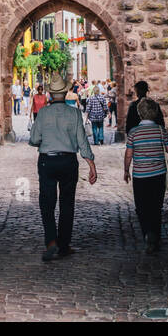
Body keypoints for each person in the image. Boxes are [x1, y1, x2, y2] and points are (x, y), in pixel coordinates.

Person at [29, 74, 97, 261]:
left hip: (47, 161)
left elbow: (34, 139)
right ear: (66, 92)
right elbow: (82, 142)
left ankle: (51, 241)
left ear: (50, 93)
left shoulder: (42, 113)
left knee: (47, 203)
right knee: (67, 204)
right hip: (68, 161)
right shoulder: (74, 113)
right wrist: (91, 166)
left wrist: (47, 138)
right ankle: (64, 245)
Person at [124, 97, 168, 253]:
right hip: (158, 175)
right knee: (156, 207)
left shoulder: (134, 132)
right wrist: (166, 140)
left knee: (142, 207)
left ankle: (148, 233)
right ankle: (156, 236)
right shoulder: (160, 130)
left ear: (139, 113)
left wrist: (126, 170)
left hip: (140, 176)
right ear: (155, 113)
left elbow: (128, 154)